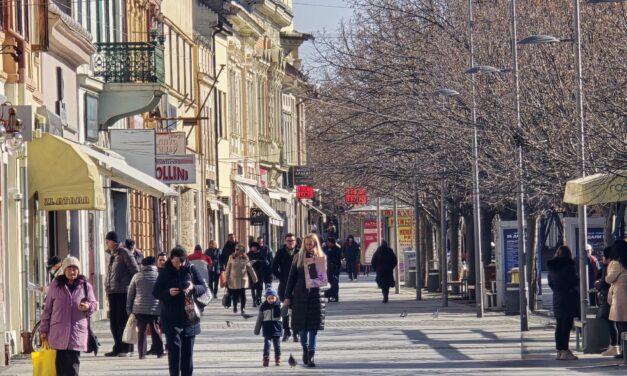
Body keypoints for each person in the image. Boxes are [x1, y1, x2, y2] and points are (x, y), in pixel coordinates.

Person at [153, 246, 207, 376]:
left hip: (190, 317)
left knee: (187, 355)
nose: (179, 265)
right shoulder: (165, 272)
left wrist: (193, 287)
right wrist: (168, 293)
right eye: (176, 262)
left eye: (182, 262)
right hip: (171, 318)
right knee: (174, 352)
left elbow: (203, 288)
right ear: (171, 259)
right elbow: (155, 292)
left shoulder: (191, 269)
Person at [39, 256, 98, 376]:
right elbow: (47, 309)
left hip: (76, 332)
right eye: (69, 269)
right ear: (64, 270)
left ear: (79, 270)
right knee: (60, 369)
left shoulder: (85, 285)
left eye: (75, 269)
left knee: (73, 368)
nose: (72, 272)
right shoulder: (55, 285)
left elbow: (95, 304)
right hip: (58, 332)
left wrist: (88, 306)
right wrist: (43, 330)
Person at [284, 233, 326, 368]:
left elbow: (323, 279)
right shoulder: (298, 257)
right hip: (300, 296)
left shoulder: (320, 257)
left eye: (311, 244)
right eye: (307, 244)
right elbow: (291, 278)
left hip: (315, 296)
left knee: (313, 328)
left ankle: (311, 355)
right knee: (301, 328)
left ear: (315, 244)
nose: (309, 246)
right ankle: (305, 348)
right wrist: (287, 297)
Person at [104, 231, 139, 357]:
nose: (106, 243)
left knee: (123, 320)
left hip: (123, 292)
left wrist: (132, 288)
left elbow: (135, 271)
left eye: (107, 241)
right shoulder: (111, 254)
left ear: (112, 241)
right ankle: (118, 346)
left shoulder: (124, 252)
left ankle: (126, 348)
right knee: (114, 321)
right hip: (112, 291)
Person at [127, 256, 164, 359]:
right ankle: (159, 352)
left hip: (139, 309)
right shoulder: (159, 276)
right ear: (154, 264)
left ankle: (141, 354)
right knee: (156, 330)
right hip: (155, 308)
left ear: (143, 265)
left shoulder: (137, 276)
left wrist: (129, 308)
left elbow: (130, 294)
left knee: (142, 331)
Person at [547, 245, 579, 361]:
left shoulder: (552, 267)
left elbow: (550, 282)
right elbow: (574, 280)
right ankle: (565, 350)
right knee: (566, 325)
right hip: (568, 297)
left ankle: (560, 350)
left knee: (559, 325)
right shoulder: (569, 265)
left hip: (557, 297)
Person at [272, 233, 300, 342]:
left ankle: (296, 332)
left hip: (297, 286)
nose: (290, 242)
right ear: (285, 241)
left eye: (292, 241)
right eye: (288, 240)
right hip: (284, 286)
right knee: (285, 310)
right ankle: (286, 332)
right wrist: (282, 278)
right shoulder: (280, 253)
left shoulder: (299, 253)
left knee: (296, 311)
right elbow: (274, 268)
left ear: (295, 242)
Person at [595, 246, 619, 356]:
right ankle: (615, 345)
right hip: (613, 297)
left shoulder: (612, 265)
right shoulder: (616, 264)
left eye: (603, 256)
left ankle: (615, 345)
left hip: (610, 298)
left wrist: (597, 285)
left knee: (612, 322)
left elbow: (606, 281)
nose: (602, 258)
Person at [606, 239, 627, 359]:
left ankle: (625, 351)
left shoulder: (616, 263)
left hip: (620, 296)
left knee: (621, 325)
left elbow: (609, 279)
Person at [253, 287, 283, 367]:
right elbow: (259, 319)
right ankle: (266, 358)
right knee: (267, 344)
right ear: (266, 298)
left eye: (272, 298)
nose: (270, 300)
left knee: (277, 345)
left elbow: (285, 314)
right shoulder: (263, 306)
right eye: (269, 298)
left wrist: (285, 306)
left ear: (276, 297)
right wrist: (257, 330)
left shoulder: (280, 305)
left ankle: (278, 358)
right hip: (267, 329)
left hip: (277, 328)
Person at [225, 244, 257, 315]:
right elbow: (228, 269)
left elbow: (250, 268)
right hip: (234, 279)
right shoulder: (231, 257)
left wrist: (254, 278)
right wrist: (226, 279)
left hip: (243, 279)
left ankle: (243, 308)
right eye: (236, 249)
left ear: (242, 251)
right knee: (235, 294)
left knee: (243, 294)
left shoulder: (245, 258)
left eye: (238, 249)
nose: (236, 251)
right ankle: (235, 307)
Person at [323, 238, 342, 302]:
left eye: (329, 242)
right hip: (327, 268)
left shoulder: (337, 248)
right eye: (327, 242)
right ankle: (330, 296)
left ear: (332, 243)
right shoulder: (325, 248)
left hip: (335, 268)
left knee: (335, 282)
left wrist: (330, 252)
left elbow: (338, 258)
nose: (328, 244)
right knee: (330, 282)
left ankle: (335, 296)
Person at [248, 242, 266, 307]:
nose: (254, 248)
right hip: (251, 272)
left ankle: (259, 298)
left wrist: (256, 261)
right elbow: (245, 262)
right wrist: (249, 262)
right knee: (252, 287)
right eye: (253, 247)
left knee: (259, 287)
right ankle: (254, 300)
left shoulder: (260, 254)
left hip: (259, 272)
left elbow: (265, 261)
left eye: (255, 247)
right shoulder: (248, 254)